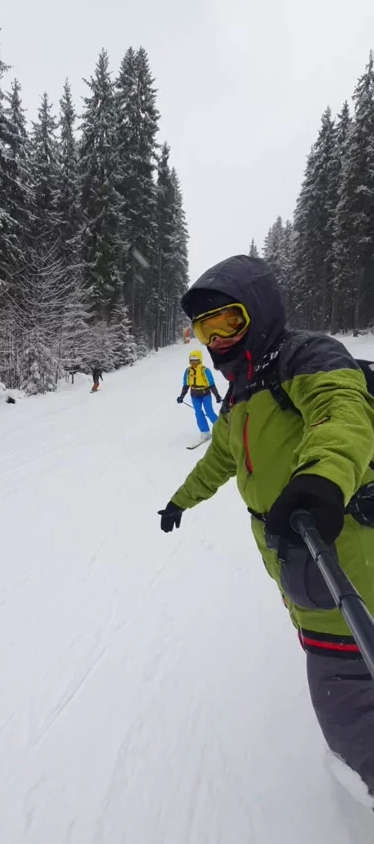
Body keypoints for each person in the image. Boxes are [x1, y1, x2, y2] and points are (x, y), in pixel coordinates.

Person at [159, 254, 374, 800]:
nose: (219, 338)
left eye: (230, 321)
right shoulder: (239, 395)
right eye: (206, 329)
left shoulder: (308, 356)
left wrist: (323, 480)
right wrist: (180, 500)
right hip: (297, 560)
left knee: (348, 714)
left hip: (342, 555)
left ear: (259, 312)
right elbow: (218, 462)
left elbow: (341, 413)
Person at [178, 350, 222, 441]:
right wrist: (181, 396)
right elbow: (186, 384)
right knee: (198, 413)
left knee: (209, 412)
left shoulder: (205, 371)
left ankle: (222, 428)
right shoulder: (188, 371)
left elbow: (212, 384)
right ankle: (205, 432)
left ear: (200, 360)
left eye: (196, 360)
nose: (194, 362)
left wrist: (217, 395)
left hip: (205, 394)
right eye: (192, 360)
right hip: (194, 395)